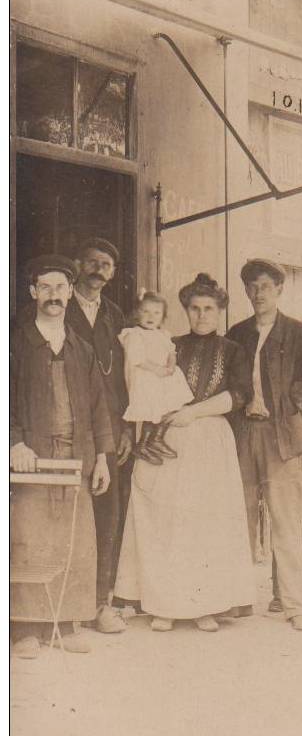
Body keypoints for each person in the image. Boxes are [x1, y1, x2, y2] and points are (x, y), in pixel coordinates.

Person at [114, 273, 256, 633]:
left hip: (209, 437)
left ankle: (204, 606)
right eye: (194, 308)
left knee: (205, 522)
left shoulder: (234, 350)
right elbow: (145, 383)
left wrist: (193, 412)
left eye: (209, 309)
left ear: (220, 311)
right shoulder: (168, 344)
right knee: (167, 519)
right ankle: (165, 605)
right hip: (170, 437)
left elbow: (239, 395)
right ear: (185, 311)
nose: (201, 315)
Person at [226, 259, 302, 632]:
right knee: (240, 518)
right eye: (252, 286)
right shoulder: (238, 332)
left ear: (279, 290)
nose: (258, 293)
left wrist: (298, 395)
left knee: (286, 522)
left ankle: (295, 605)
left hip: (284, 438)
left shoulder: (296, 333)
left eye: (265, 286)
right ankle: (238, 597)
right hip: (244, 434)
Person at [10, 255, 114, 658]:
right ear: (33, 292)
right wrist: (14, 442)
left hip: (77, 455)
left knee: (75, 541)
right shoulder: (15, 343)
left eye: (61, 288)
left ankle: (67, 624)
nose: (54, 296)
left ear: (71, 292)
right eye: (45, 288)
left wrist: (102, 456)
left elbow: (99, 405)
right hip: (31, 456)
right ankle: (25, 630)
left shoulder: (81, 348)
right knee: (29, 540)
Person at [67, 237, 132, 633]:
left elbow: (126, 379)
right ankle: (63, 605)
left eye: (106, 264)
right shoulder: (56, 306)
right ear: (77, 265)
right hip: (68, 426)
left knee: (107, 515)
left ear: (112, 273)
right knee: (67, 513)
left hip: (108, 428)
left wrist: (125, 426)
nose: (98, 270)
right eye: (91, 262)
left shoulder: (116, 315)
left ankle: (100, 603)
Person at [118, 290, 193, 464]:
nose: (151, 316)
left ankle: (156, 438)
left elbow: (171, 351)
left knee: (169, 406)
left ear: (163, 316)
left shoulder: (163, 335)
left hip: (162, 378)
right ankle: (144, 443)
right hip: (146, 379)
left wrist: (171, 365)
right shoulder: (134, 334)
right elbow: (137, 358)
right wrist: (157, 369)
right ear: (137, 313)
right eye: (145, 311)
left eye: (156, 313)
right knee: (153, 410)